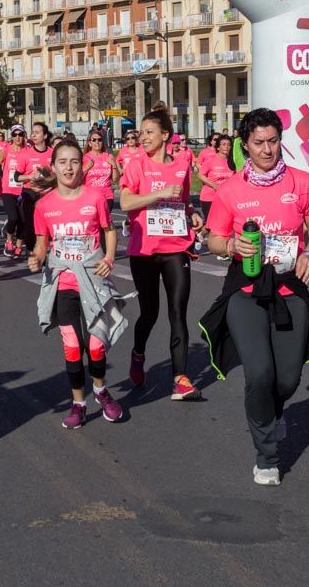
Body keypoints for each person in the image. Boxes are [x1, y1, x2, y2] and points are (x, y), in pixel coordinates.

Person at [200, 107, 309, 486]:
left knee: (286, 380)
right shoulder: (231, 190)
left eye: (273, 141)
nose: (268, 149)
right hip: (246, 290)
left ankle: (273, 413)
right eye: (259, 143)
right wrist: (232, 245)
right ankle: (267, 456)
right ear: (245, 145)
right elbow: (214, 240)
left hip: (290, 289)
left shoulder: (301, 183)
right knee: (259, 373)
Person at [27, 139, 125, 429]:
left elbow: (109, 230)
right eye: (63, 162)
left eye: (74, 161)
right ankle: (78, 403)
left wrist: (108, 258)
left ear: (82, 165)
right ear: (53, 167)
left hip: (93, 281)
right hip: (64, 282)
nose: (69, 167)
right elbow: (42, 242)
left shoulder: (95, 198)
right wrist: (36, 257)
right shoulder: (44, 205)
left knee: (95, 347)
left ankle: (100, 389)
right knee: (72, 346)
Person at [119, 103, 203, 400]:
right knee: (150, 313)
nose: (142, 137)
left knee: (177, 311)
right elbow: (126, 203)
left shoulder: (181, 165)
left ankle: (180, 378)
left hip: (176, 247)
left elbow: (183, 200)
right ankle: (138, 353)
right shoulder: (136, 165)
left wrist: (192, 212)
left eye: (149, 132)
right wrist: (157, 194)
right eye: (141, 133)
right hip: (144, 249)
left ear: (166, 135)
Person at [0, 124, 29, 258]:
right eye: (15, 135)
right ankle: (8, 241)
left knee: (23, 220)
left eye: (20, 134)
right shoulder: (7, 150)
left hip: (23, 189)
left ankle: (18, 246)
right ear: (11, 137)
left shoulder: (28, 151)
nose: (18, 137)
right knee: (13, 217)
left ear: (24, 136)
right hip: (8, 188)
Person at [195, 135, 234, 261]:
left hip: (225, 198)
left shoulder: (231, 162)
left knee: (224, 223)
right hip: (209, 196)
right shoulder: (211, 160)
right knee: (215, 224)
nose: (226, 147)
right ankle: (220, 250)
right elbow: (200, 175)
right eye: (223, 144)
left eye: (228, 144)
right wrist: (213, 185)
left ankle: (200, 234)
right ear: (217, 147)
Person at [18, 122, 55, 253]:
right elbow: (17, 177)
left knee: (47, 224)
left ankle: (45, 251)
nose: (33, 135)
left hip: (48, 194)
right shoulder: (25, 153)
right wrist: (29, 177)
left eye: (37, 132)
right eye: (32, 132)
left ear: (45, 136)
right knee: (30, 226)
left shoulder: (53, 153)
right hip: (30, 193)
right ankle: (31, 249)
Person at [82, 128, 119, 219]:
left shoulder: (108, 156)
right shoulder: (85, 158)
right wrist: (87, 167)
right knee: (93, 223)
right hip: (90, 196)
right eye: (94, 140)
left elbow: (115, 179)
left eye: (100, 139)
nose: (97, 142)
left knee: (105, 223)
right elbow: (78, 177)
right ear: (90, 143)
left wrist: (114, 164)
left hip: (107, 195)